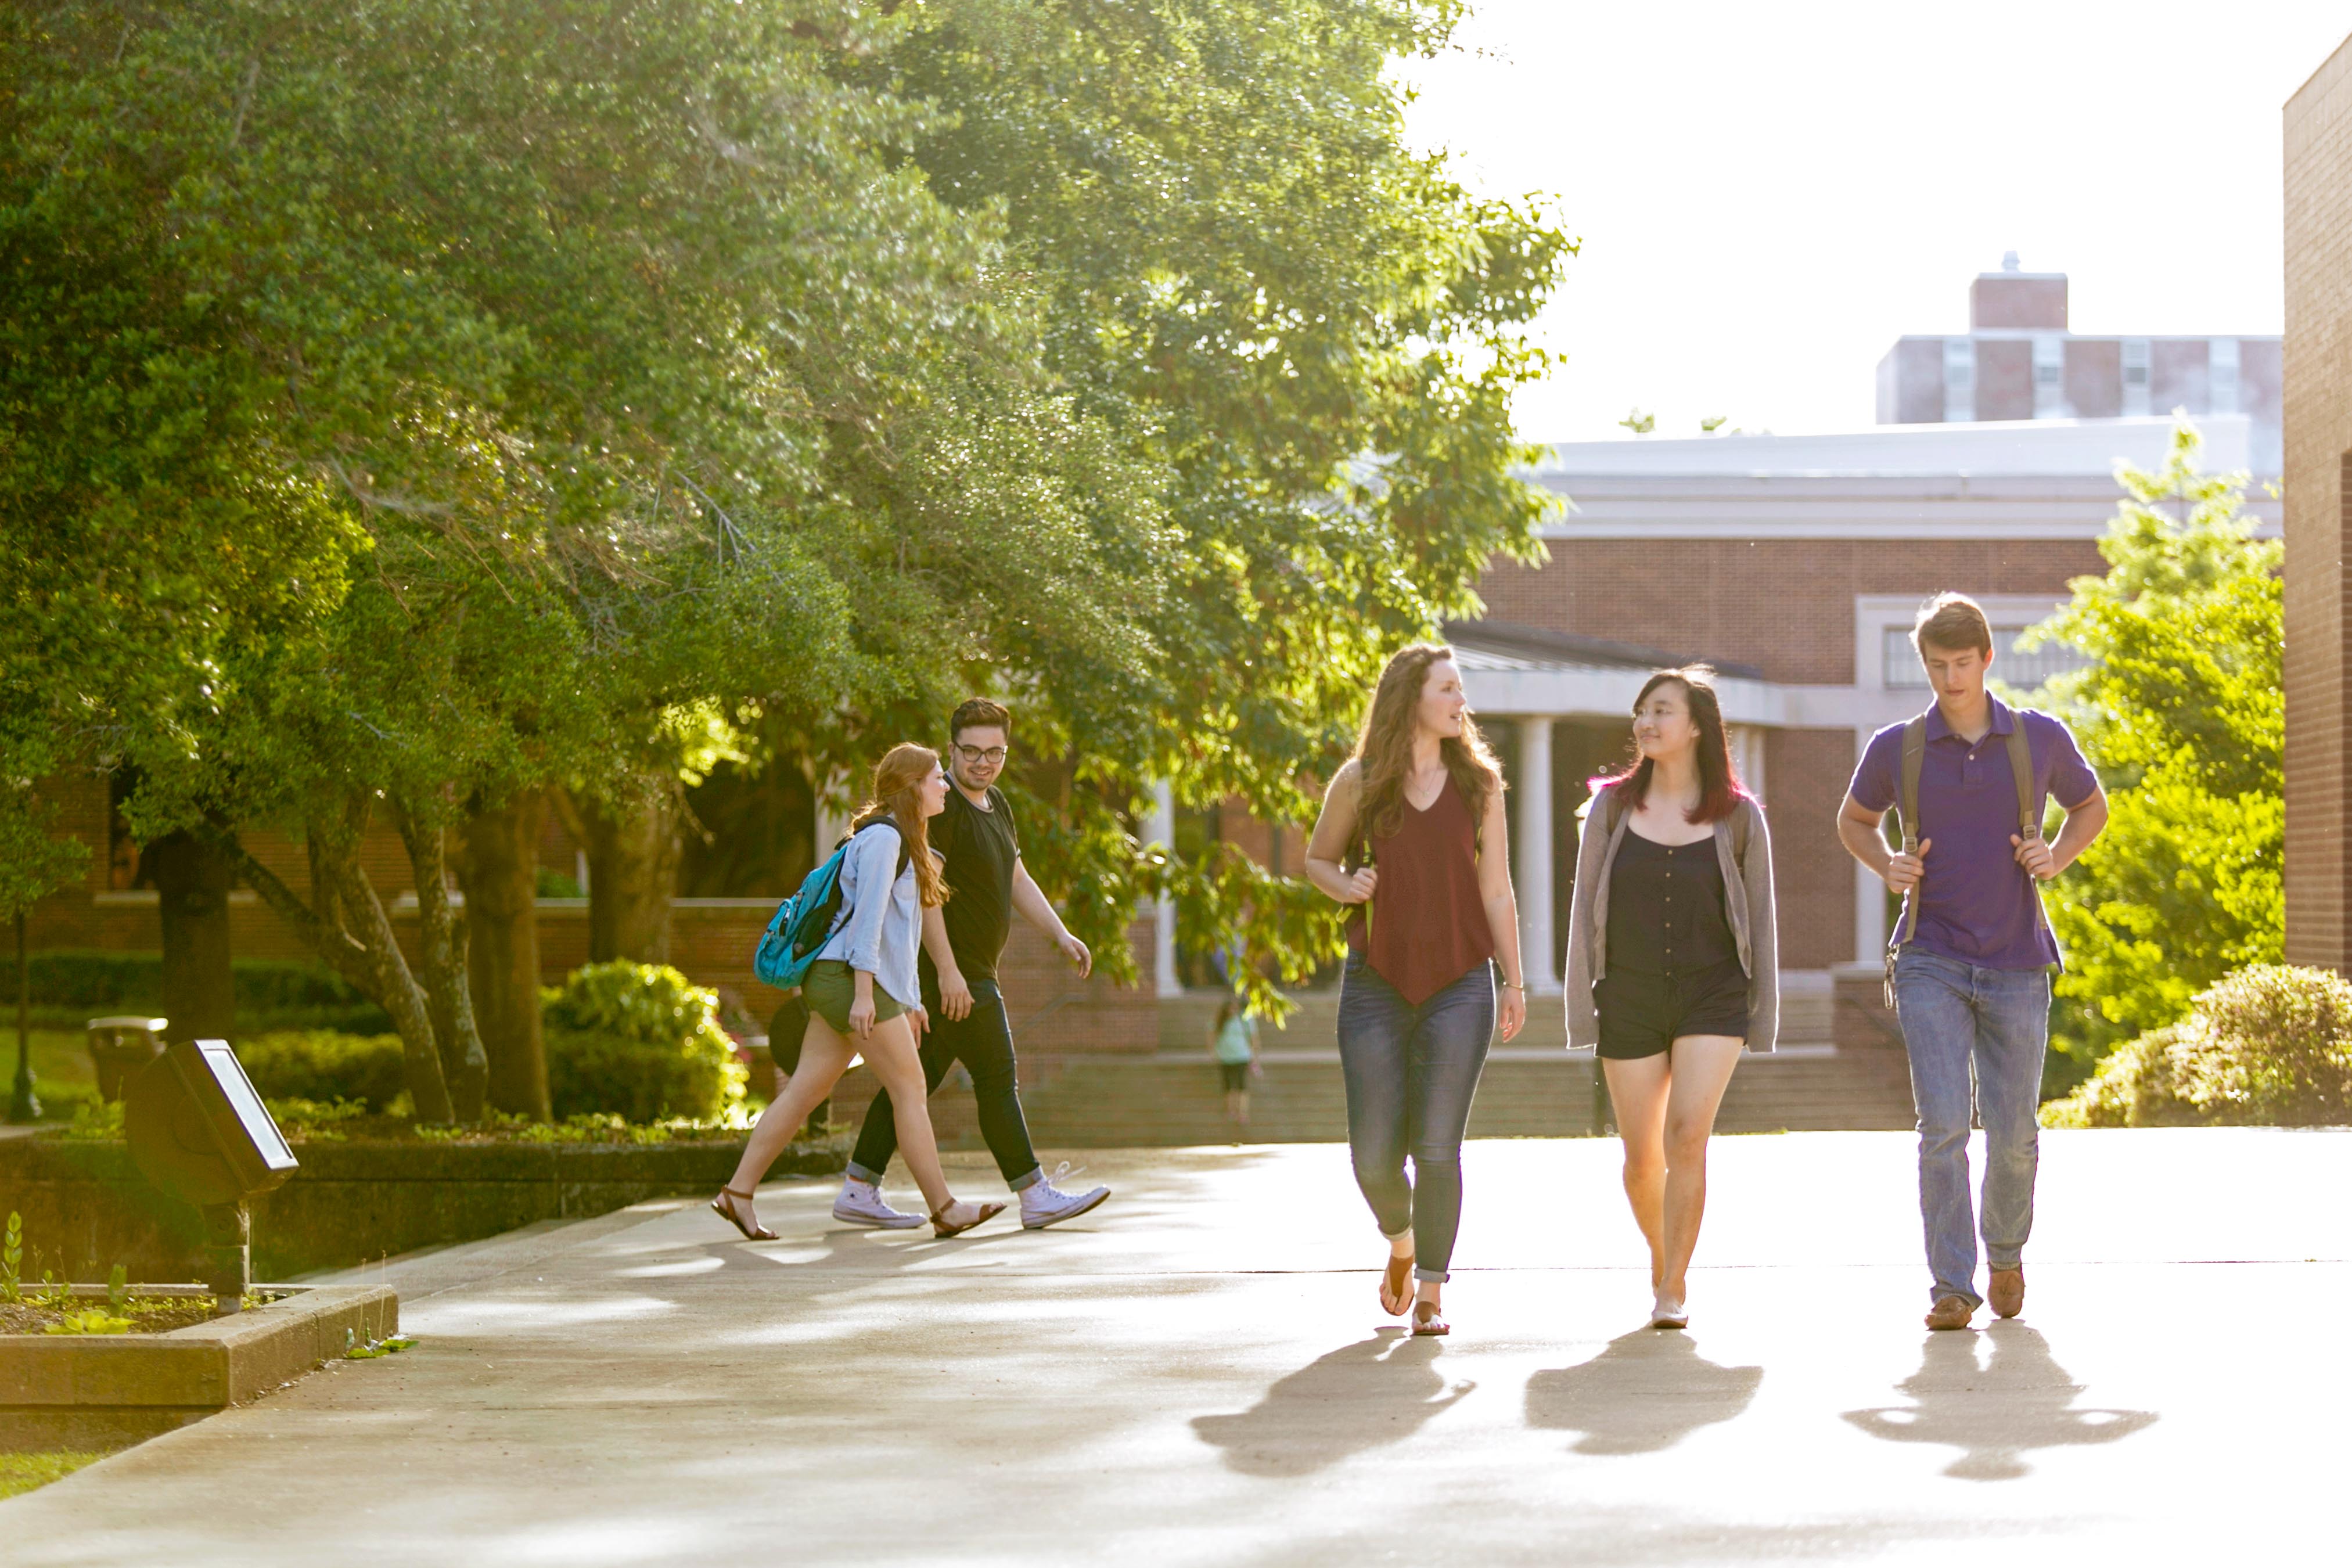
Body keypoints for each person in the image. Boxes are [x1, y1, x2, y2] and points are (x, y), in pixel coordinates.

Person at [1837, 594, 2106, 1332]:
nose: (1950, 680)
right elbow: (1853, 821)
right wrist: (1886, 865)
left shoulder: (2037, 739)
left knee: (2015, 1130)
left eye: (1962, 664)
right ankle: (1951, 1286)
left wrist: (2057, 853)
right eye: (1936, 666)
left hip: (2019, 959)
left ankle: (2007, 1252)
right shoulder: (1898, 747)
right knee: (1944, 1126)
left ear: (1988, 659)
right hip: (1931, 957)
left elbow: (2092, 807)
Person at [1305, 643, 1529, 1339]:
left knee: (1437, 1149)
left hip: (1462, 983)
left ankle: (1432, 1289)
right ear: (1412, 699)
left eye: (1461, 690)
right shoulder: (1361, 779)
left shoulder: (1480, 785)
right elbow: (1319, 858)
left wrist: (1514, 980)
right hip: (1376, 983)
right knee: (1373, 1156)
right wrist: (1347, 885)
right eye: (1449, 690)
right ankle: (1400, 1241)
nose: (1462, 702)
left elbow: (1497, 890)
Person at [830, 699, 1112, 1232]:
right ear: (953, 748)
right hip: (954, 976)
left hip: (967, 970)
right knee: (996, 1078)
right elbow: (926, 895)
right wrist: (951, 971)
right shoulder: (945, 809)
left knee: (914, 1080)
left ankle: (859, 1186)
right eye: (971, 752)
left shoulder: (997, 805)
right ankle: (1034, 1193)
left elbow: (1015, 878)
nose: (983, 763)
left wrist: (1060, 933)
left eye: (995, 752)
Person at [711, 744, 1004, 1242]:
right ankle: (945, 1208)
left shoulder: (899, 837)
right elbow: (867, 926)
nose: (944, 787)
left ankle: (736, 1194)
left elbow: (900, 934)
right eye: (937, 778)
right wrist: (867, 998)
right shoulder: (885, 840)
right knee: (910, 1088)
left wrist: (908, 1001)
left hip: (841, 979)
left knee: (807, 1088)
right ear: (912, 786)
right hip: (848, 980)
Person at [1563, 667, 1778, 1331]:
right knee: (1640, 1158)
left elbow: (1762, 922)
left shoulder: (1739, 818)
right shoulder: (1610, 810)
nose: (1646, 723)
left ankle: (1674, 1285)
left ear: (1695, 727)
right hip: (1627, 993)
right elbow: (1582, 912)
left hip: (1712, 994)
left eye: (1662, 710)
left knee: (1687, 1135)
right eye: (1641, 711)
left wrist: (1761, 1016)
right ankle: (1663, 1256)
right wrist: (1581, 1005)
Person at [1209, 995, 1258, 1132]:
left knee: (1242, 1085)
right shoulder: (1220, 1021)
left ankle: (1242, 1112)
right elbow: (1212, 1036)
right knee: (1228, 1086)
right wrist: (1213, 1053)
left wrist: (1254, 1057)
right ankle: (1231, 1110)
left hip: (1242, 1057)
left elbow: (1254, 1039)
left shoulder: (1245, 1020)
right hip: (1225, 1057)